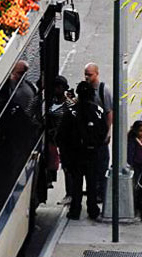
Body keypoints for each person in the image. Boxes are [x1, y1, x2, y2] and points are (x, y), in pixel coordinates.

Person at [59, 81, 105, 220]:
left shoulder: (71, 112)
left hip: (75, 154)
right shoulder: (97, 111)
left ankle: (75, 210)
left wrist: (66, 155)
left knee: (76, 184)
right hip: (92, 153)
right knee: (91, 183)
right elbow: (103, 130)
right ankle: (92, 209)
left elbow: (61, 135)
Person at [84, 63, 113, 202]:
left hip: (99, 134)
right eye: (86, 74)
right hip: (88, 135)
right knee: (90, 166)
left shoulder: (103, 90)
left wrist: (108, 132)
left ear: (97, 74)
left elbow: (109, 112)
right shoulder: (85, 90)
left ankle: (101, 192)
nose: (87, 77)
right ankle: (93, 191)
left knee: (101, 165)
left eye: (90, 74)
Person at [46, 75, 74, 199]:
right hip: (52, 138)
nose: (57, 89)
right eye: (55, 87)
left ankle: (70, 193)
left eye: (59, 87)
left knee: (67, 167)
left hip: (65, 139)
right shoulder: (50, 102)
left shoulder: (69, 104)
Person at [126, 120, 142, 216]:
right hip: (135, 165)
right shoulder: (132, 140)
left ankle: (139, 203)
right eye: (141, 131)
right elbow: (130, 154)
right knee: (135, 185)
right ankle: (134, 204)